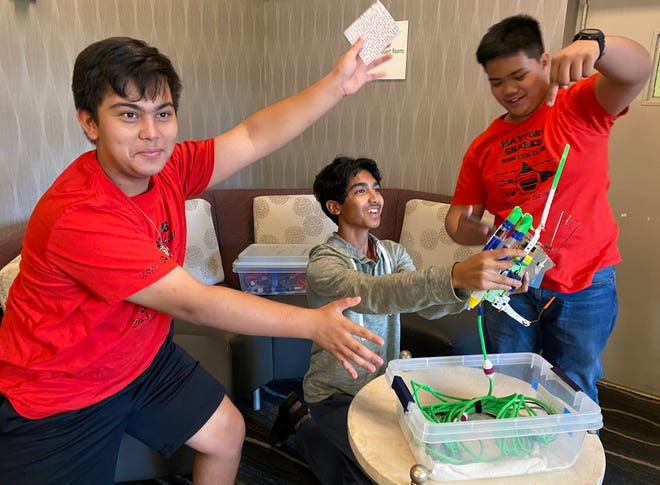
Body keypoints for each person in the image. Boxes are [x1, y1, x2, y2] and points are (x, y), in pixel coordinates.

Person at [0, 37, 394, 485]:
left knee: (227, 432)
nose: (152, 132)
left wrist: (335, 86)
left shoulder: (167, 170)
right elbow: (193, 302)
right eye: (129, 114)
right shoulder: (81, 213)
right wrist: (311, 323)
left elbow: (251, 135)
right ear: (89, 122)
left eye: (163, 113)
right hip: (61, 389)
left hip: (140, 360)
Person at [269, 156, 528, 485]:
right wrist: (455, 274)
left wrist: (482, 286)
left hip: (381, 389)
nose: (375, 198)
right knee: (361, 477)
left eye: (376, 189)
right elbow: (375, 293)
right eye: (361, 191)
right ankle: (302, 418)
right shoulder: (323, 263)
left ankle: (305, 420)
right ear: (334, 206)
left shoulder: (392, 252)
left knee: (409, 463)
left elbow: (425, 305)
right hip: (335, 393)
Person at [444, 15, 652, 404]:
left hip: (586, 282)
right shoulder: (483, 147)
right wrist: (469, 228)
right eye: (496, 81)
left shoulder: (580, 105)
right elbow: (459, 218)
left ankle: (570, 453)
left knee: (573, 385)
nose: (508, 90)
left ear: (544, 62)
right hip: (512, 283)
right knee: (503, 381)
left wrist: (596, 44)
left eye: (518, 76)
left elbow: (638, 70)